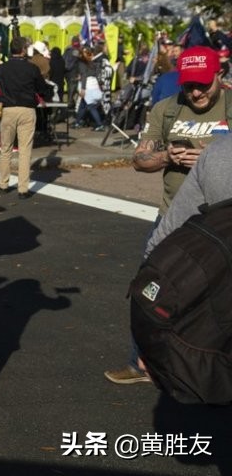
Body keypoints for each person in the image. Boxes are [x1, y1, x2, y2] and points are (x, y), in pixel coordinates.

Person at [104, 46, 231, 385]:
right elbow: (139, 159)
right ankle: (139, 363)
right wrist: (168, 157)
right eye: (189, 85)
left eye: (203, 84)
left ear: (219, 75)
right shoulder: (167, 108)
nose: (196, 92)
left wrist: (211, 156)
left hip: (222, 225)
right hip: (173, 220)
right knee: (149, 289)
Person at [0, 39, 52, 198]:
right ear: (23, 51)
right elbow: (42, 88)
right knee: (25, 151)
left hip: (8, 109)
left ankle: (3, 184)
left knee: (6, 149)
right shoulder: (32, 68)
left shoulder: (3, 68)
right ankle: (23, 189)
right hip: (27, 109)